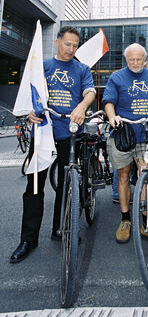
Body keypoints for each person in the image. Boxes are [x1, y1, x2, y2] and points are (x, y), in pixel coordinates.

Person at [10, 26, 96, 263]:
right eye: (67, 44)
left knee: (67, 184)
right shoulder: (43, 67)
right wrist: (30, 112)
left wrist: (81, 106)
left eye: (75, 46)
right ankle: (28, 239)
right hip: (43, 133)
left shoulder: (81, 69)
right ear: (57, 42)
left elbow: (89, 92)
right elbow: (30, 94)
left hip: (69, 134)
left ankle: (60, 228)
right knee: (35, 186)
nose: (71, 49)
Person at [103, 43, 148, 244]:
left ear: (145, 57)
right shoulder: (116, 78)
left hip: (145, 134)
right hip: (123, 135)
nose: (135, 63)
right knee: (123, 176)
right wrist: (112, 117)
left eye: (139, 59)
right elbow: (108, 102)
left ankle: (146, 222)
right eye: (131, 59)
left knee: (145, 176)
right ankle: (125, 220)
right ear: (126, 59)